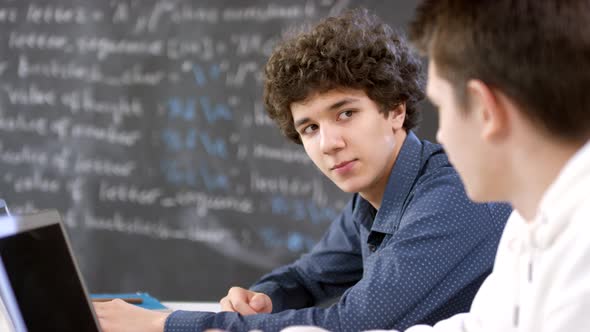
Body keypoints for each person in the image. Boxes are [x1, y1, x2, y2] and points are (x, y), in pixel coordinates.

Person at [93, 9, 511, 332]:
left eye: (345, 113)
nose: (328, 142)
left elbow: (350, 324)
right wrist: (265, 297)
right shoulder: (370, 201)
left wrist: (163, 323)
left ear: (395, 110)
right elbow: (307, 276)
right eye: (309, 127)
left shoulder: (452, 193)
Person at [283, 1, 590, 331]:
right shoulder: (528, 224)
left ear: (485, 109)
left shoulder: (580, 241)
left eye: (442, 107)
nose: (440, 134)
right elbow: (479, 327)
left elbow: (356, 321)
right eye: (310, 128)